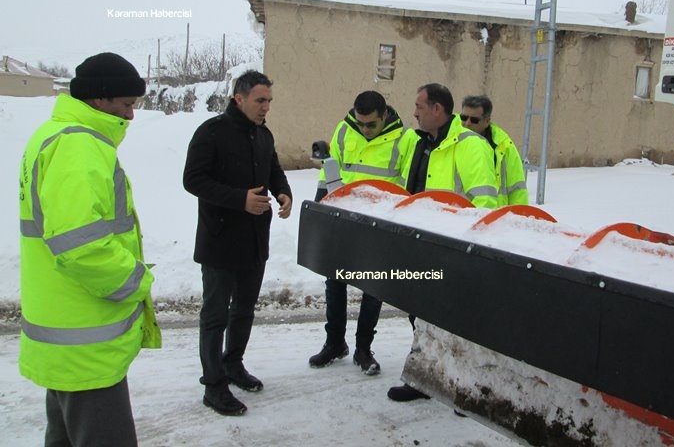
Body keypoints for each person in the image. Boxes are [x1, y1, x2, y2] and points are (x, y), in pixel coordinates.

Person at [18, 52, 161, 446]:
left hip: (65, 334)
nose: (131, 116)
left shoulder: (53, 136)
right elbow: (82, 245)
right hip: (85, 341)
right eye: (127, 104)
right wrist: (135, 282)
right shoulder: (78, 148)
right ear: (99, 100)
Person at [183, 70, 293, 416]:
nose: (266, 107)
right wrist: (238, 199)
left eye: (269, 101)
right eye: (261, 100)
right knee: (215, 315)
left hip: (254, 239)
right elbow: (193, 180)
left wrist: (283, 192)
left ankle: (234, 365)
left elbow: (273, 169)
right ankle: (213, 385)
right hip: (219, 239)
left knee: (244, 310)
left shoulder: (263, 135)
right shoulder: (212, 132)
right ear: (239, 98)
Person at [388, 82, 498, 402]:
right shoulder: (422, 142)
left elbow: (485, 204)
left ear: (438, 110)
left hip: (455, 250)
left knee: (457, 323)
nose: (414, 112)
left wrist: (470, 250)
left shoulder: (470, 145)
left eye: (419, 107)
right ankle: (424, 379)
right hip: (421, 244)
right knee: (419, 314)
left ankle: (464, 389)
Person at [308, 90, 417, 376]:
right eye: (361, 124)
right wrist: (323, 207)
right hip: (343, 219)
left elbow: (405, 186)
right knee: (335, 282)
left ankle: (363, 349)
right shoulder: (345, 130)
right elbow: (329, 172)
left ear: (385, 116)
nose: (364, 129)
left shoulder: (406, 140)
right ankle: (334, 343)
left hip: (378, 224)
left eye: (371, 124)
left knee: (372, 288)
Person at [460, 94, 529, 206]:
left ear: (487, 121)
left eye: (474, 120)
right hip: (459, 216)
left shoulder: (504, 146)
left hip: (496, 217)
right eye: (463, 117)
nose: (467, 123)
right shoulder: (450, 142)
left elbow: (517, 189)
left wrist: (518, 218)